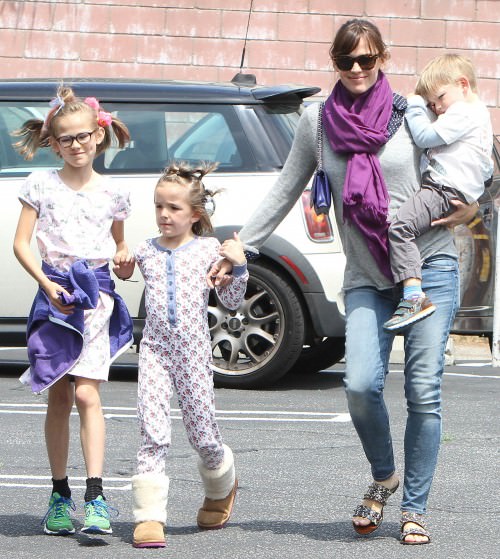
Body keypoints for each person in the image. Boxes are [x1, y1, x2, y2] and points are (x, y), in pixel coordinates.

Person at [211, 19, 479, 545]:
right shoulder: (317, 121)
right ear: (334, 62)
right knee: (359, 385)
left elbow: (469, 158)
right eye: (346, 60)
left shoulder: (412, 113)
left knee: (423, 390)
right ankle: (385, 476)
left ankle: (414, 508)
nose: (357, 69)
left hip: (429, 267)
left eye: (366, 60)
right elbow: (286, 187)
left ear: (382, 59)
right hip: (366, 276)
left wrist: (474, 203)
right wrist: (243, 243)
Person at [12, 85, 134, 536]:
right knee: (60, 396)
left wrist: (123, 261)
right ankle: (59, 495)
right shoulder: (40, 184)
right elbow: (21, 244)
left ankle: (96, 496)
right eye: (67, 139)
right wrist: (47, 285)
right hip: (55, 297)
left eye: (83, 136)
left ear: (99, 134)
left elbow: (119, 247)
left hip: (96, 298)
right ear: (54, 143)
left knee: (87, 394)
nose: (77, 144)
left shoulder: (114, 192)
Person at [114, 162, 248, 548]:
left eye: (174, 208)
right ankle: (149, 516)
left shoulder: (208, 250)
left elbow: (231, 300)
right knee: (152, 432)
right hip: (155, 351)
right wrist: (123, 268)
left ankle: (221, 487)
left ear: (195, 214)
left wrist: (238, 265)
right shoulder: (146, 250)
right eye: (159, 206)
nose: (164, 215)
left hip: (192, 353)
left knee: (203, 435)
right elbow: (125, 273)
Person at [383, 54, 493, 332]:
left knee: (400, 228)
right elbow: (488, 171)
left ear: (463, 85)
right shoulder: (481, 116)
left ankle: (413, 296)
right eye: (432, 104)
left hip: (443, 188)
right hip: (454, 190)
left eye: (440, 98)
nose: (438, 108)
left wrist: (415, 105)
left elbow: (425, 137)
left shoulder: (463, 112)